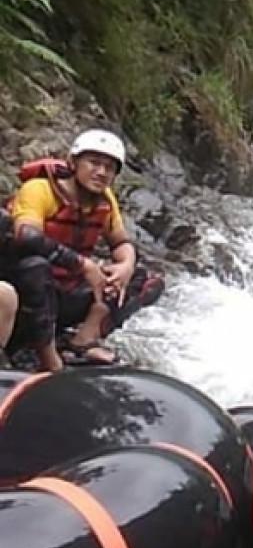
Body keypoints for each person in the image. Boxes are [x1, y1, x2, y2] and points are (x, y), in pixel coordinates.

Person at [7, 129, 164, 370]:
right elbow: (27, 237)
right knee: (35, 267)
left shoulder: (105, 200)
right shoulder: (40, 189)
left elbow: (121, 243)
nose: (101, 172)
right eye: (94, 163)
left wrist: (125, 266)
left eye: (109, 168)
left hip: (64, 294)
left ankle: (82, 342)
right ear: (73, 163)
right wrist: (83, 264)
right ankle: (48, 357)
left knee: (145, 281)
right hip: (22, 296)